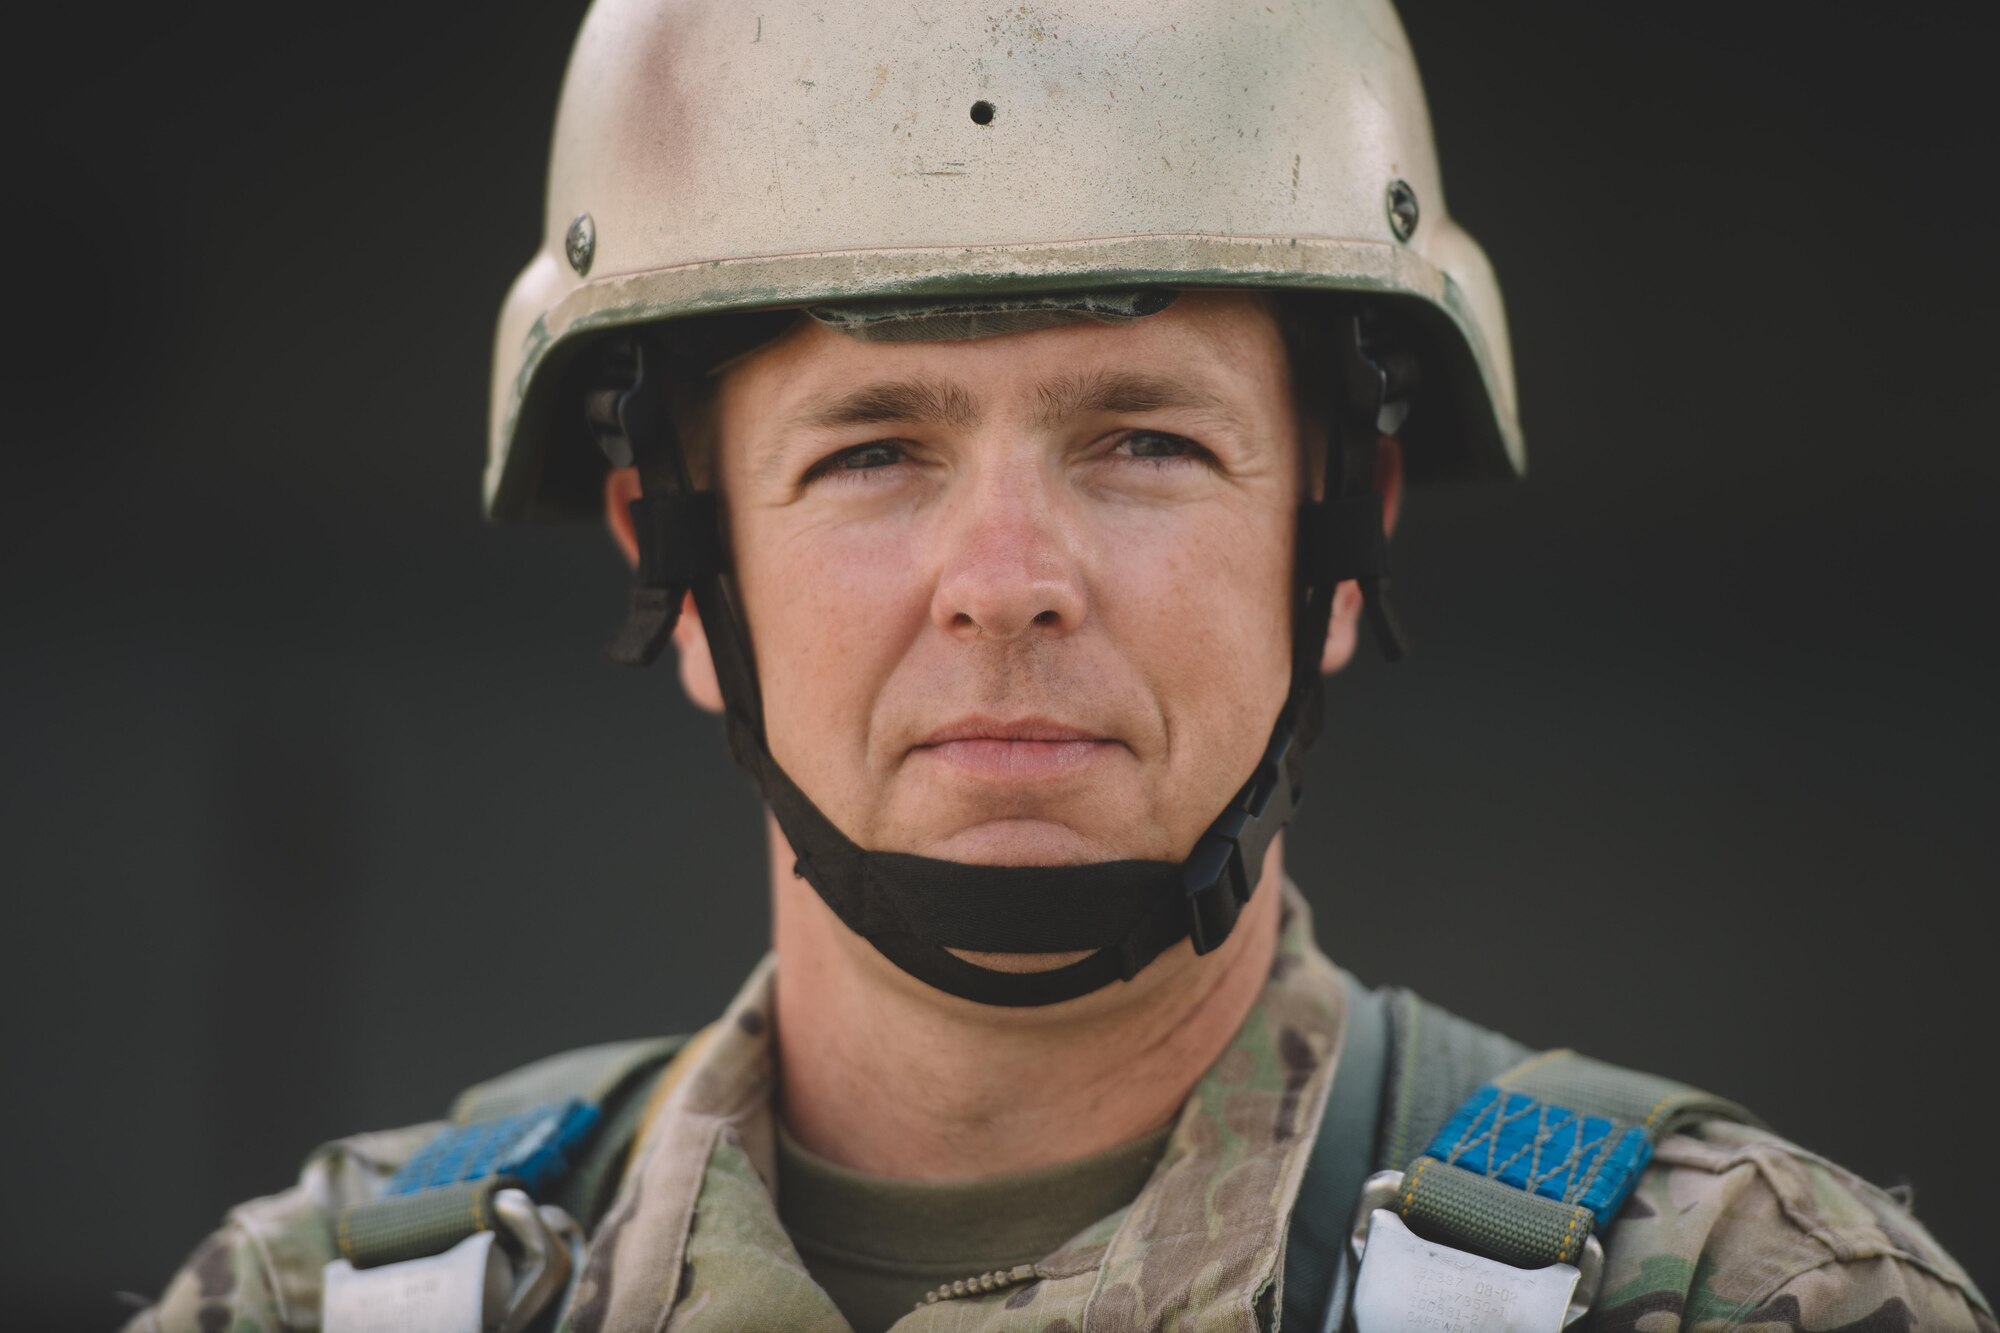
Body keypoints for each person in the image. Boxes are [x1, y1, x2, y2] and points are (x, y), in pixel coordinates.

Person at [128, 0, 1992, 1330]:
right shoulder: (324, 1302)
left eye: (1144, 443)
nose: (1007, 583)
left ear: (1341, 538)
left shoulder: (1746, 1298)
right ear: (679, 567)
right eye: (872, 452)